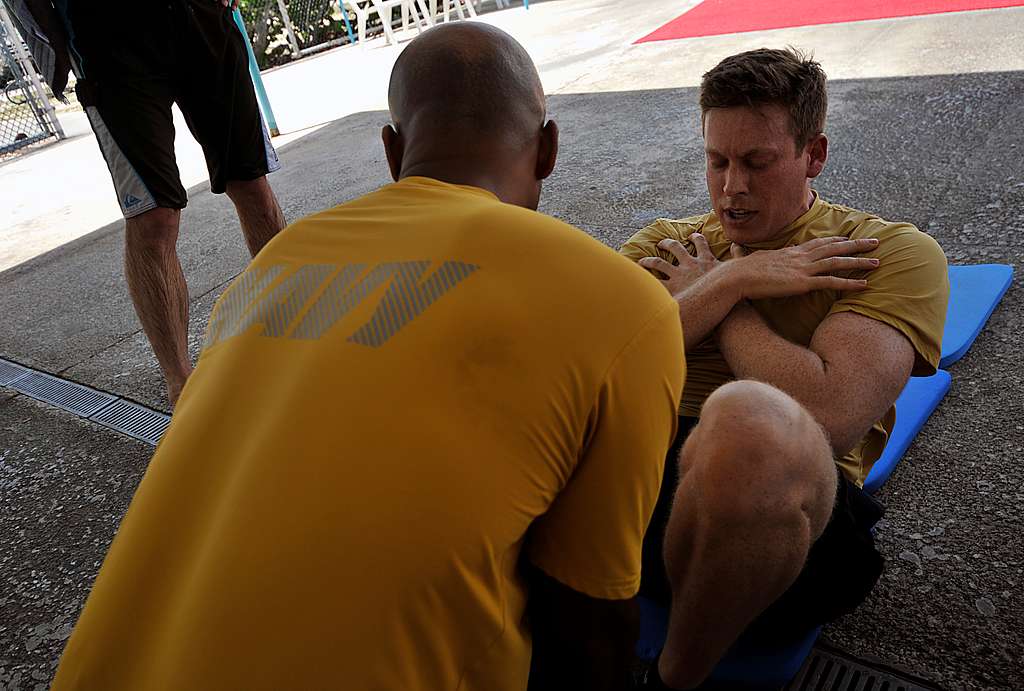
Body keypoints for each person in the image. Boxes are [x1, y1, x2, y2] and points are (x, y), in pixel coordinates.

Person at [52, 24, 686, 691]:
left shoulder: (270, 271)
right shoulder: (619, 303)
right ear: (549, 148)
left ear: (392, 150)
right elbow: (588, 626)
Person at [621, 48, 949, 690]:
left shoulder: (887, 254)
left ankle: (674, 678)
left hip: (784, 524)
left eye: (757, 162)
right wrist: (736, 279)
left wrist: (724, 296)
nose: (731, 187)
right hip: (631, 494)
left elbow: (827, 418)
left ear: (814, 155)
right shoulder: (663, 240)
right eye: (717, 161)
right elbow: (588, 370)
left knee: (751, 422)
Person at [15, 0, 285, 407]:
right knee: (153, 216)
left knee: (252, 186)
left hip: (202, 16)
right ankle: (181, 385)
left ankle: (297, 334)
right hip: (107, 36)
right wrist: (51, 43)